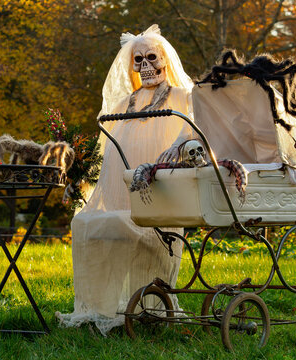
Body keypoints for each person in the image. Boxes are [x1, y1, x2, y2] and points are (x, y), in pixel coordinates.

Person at [56, 24, 193, 335]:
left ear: (165, 61)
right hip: (121, 194)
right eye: (138, 60)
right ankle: (100, 306)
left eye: (151, 59)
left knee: (126, 226)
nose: (145, 66)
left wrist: (179, 144)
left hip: (161, 195)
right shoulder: (121, 107)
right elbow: (104, 155)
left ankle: (149, 303)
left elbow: (194, 131)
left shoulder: (183, 99)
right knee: (86, 222)